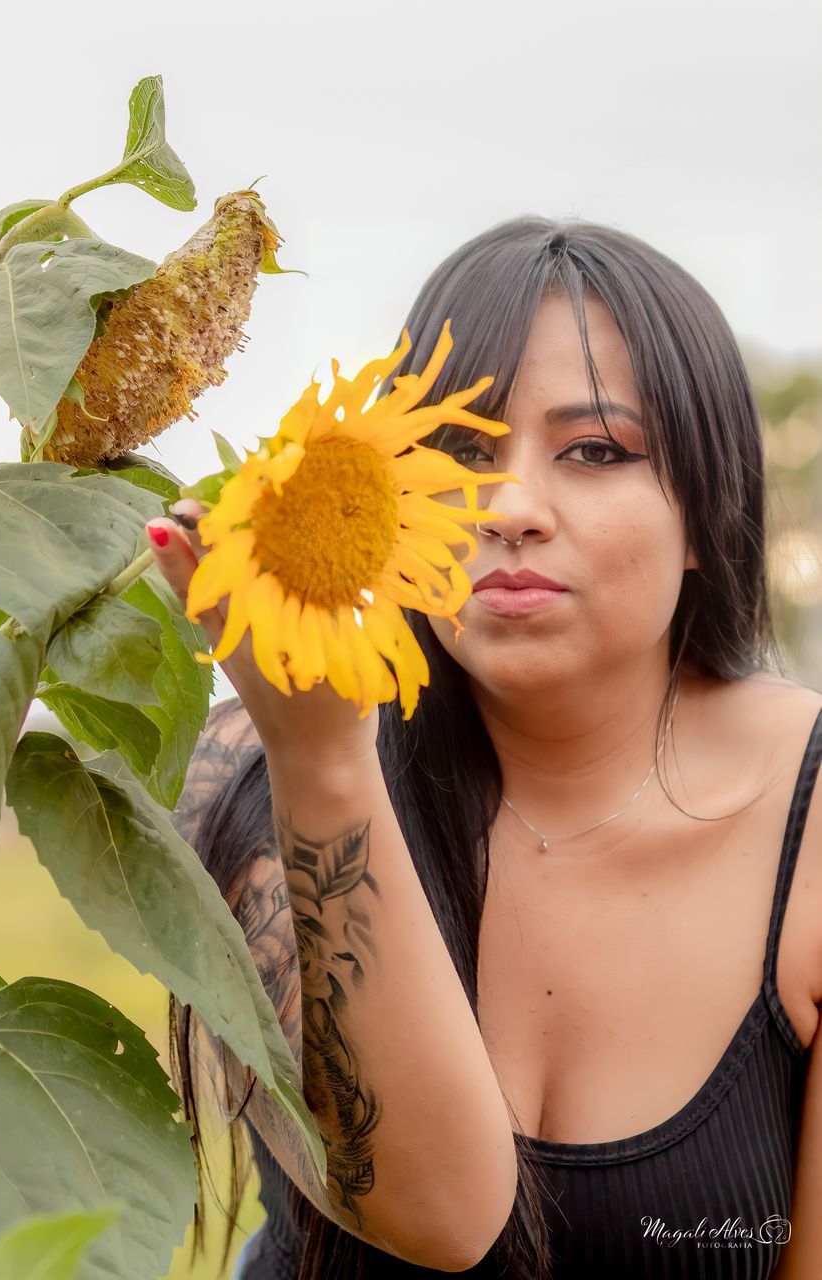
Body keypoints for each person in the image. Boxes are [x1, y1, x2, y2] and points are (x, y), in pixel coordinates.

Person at [146, 217, 822, 1280]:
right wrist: (324, 760)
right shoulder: (245, 770)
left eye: (594, 449)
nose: (509, 506)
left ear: (707, 509)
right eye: (460, 449)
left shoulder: (811, 812)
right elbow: (441, 1213)